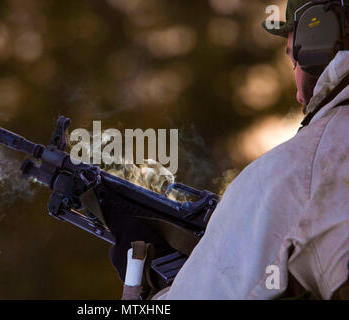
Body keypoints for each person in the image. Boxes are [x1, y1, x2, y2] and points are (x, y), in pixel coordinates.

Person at [149, 0, 349, 299]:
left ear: (318, 42)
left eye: (294, 59)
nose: (297, 92)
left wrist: (149, 290)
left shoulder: (295, 169)